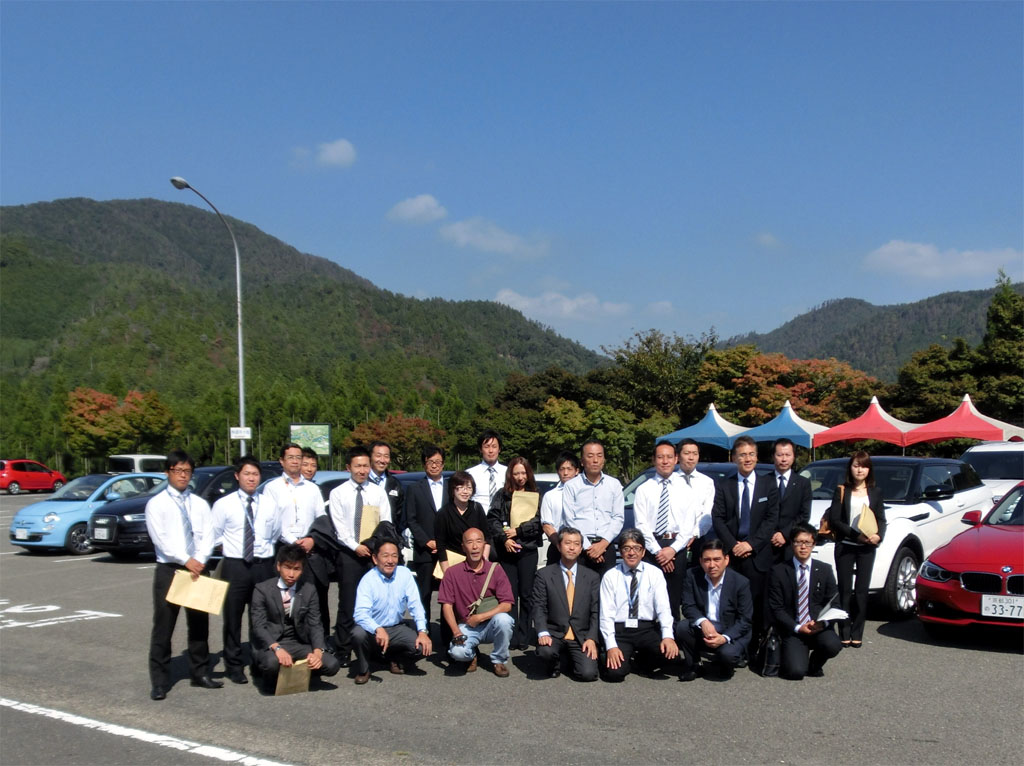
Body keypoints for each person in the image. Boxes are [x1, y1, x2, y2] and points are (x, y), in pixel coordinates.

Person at [146, 449, 221, 700]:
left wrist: (200, 559)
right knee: (164, 626)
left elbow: (208, 534)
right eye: (177, 470)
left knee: (199, 624)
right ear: (167, 472)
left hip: (198, 567)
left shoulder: (199, 504)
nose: (182, 475)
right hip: (171, 569)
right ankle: (160, 681)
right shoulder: (157, 504)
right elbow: (160, 539)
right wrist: (186, 559)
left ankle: (200, 673)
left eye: (187, 471)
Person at [209, 455, 280, 684]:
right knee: (233, 617)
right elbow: (215, 535)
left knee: (261, 618)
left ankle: (260, 661)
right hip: (236, 565)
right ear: (237, 476)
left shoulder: (269, 504)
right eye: (247, 474)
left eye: (255, 474)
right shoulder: (224, 504)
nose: (251, 478)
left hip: (263, 565)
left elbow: (276, 533)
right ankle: (234, 664)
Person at [711, 435, 778, 650]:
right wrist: (734, 545)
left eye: (751, 454)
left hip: (757, 554)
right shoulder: (725, 485)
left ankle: (756, 646)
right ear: (734, 458)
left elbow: (771, 519)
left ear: (757, 457)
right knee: (733, 602)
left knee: (757, 603)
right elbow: (718, 518)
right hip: (733, 554)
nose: (747, 459)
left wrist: (751, 544)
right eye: (742, 455)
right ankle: (734, 645)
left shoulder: (769, 484)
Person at [328, 446, 392, 665]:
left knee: (376, 602)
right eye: (358, 466)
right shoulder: (338, 493)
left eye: (366, 466)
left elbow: (386, 522)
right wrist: (356, 546)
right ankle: (343, 649)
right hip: (349, 554)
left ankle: (375, 647)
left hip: (373, 554)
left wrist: (374, 547)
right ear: (349, 467)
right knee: (348, 603)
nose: (362, 470)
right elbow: (339, 528)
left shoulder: (378, 492)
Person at [250, 544, 340, 690]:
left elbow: (315, 623)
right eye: (287, 568)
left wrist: (318, 651)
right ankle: (270, 676)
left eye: (296, 569)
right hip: (273, 643)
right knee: (271, 664)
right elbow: (258, 627)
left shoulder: (309, 589)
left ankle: (303, 674)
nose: (291, 574)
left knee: (332, 665)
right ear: (278, 566)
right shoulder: (262, 589)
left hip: (299, 643)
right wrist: (277, 648)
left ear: (302, 570)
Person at [264, 443, 330, 637]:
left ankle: (319, 642)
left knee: (314, 600)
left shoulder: (312, 489)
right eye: (290, 457)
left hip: (309, 550)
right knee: (284, 600)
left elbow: (322, 518)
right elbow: (272, 520)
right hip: (284, 549)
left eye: (298, 457)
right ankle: (284, 641)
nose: (295, 461)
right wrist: (293, 541)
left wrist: (311, 539)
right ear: (282, 461)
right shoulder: (272, 488)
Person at [599, 528, 679, 682]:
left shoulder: (654, 573)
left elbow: (663, 608)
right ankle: (612, 656)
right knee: (615, 674)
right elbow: (606, 614)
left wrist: (668, 636)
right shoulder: (611, 576)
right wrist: (611, 646)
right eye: (626, 548)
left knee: (672, 657)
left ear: (643, 552)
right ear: (620, 551)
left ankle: (641, 660)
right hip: (621, 631)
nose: (632, 553)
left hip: (646, 628)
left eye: (637, 548)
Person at [351, 537, 432, 684]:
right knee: (357, 634)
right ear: (375, 559)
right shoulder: (368, 580)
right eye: (385, 556)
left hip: (395, 628)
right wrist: (377, 628)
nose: (390, 560)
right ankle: (364, 668)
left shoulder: (404, 574)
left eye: (394, 556)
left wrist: (422, 631)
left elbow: (415, 604)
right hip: (372, 629)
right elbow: (360, 614)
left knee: (422, 646)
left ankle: (395, 660)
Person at [768, 522, 843, 679]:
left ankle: (814, 665)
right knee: (795, 672)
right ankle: (795, 656)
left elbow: (834, 603)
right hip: (793, 628)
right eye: (798, 542)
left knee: (833, 645)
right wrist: (797, 627)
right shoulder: (779, 571)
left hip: (817, 625)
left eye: (807, 542)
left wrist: (822, 623)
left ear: (813, 544)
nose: (803, 547)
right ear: (791, 544)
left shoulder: (825, 570)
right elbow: (776, 608)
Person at [633, 440, 699, 619]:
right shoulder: (644, 489)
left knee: (673, 598)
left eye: (669, 457)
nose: (665, 461)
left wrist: (672, 550)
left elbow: (689, 526)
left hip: (677, 547)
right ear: (654, 460)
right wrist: (658, 552)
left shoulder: (686, 489)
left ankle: (673, 633)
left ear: (676, 459)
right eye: (660, 457)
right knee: (649, 597)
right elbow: (641, 524)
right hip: (651, 547)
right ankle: (651, 633)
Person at [437, 527, 515, 677]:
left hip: (492, 624)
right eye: (470, 542)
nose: (474, 546)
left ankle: (499, 660)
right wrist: (456, 632)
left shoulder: (496, 569)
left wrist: (480, 617)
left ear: (484, 545)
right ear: (463, 547)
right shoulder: (452, 573)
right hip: (467, 625)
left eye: (479, 541)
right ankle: (471, 655)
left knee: (504, 620)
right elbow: (446, 605)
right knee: (457, 652)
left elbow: (507, 604)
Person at [828, 450, 886, 648]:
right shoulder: (842, 490)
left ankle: (857, 632)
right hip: (845, 545)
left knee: (861, 591)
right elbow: (835, 520)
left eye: (864, 466)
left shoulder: (875, 492)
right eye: (856, 465)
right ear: (850, 468)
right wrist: (855, 535)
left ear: (869, 470)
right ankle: (844, 631)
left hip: (867, 548)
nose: (860, 470)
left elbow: (881, 519)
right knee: (844, 590)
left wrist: (878, 536)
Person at [675, 539, 753, 681]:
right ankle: (695, 665)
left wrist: (724, 638)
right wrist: (703, 621)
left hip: (729, 632)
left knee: (728, 655)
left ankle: (725, 664)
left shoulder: (741, 582)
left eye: (717, 559)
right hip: (705, 629)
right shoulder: (692, 575)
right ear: (700, 561)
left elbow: (745, 620)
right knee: (682, 627)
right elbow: (688, 605)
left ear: (726, 560)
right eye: (707, 560)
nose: (712, 565)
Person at [487, 456, 543, 649]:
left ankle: (525, 635)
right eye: (516, 473)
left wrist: (519, 531)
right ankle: (511, 635)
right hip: (507, 551)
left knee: (527, 594)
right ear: (510, 474)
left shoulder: (536, 494)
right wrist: (505, 538)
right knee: (509, 594)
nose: (520, 477)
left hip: (528, 550)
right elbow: (492, 519)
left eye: (523, 473)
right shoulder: (502, 495)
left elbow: (539, 521)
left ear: (529, 473)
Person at [531, 527, 600, 681]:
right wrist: (542, 632)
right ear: (559, 546)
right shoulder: (544, 575)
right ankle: (555, 663)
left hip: (580, 635)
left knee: (588, 674)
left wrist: (591, 638)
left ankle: (568, 659)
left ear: (581, 548)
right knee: (545, 652)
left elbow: (596, 611)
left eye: (576, 544)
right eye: (567, 543)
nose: (572, 547)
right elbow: (539, 606)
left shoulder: (592, 577)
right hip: (554, 633)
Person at [562, 439, 625, 576]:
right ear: (582, 461)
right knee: (580, 588)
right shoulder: (571, 486)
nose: (595, 460)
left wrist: (603, 544)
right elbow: (569, 519)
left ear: (604, 459)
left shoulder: (614, 485)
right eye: (590, 456)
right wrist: (588, 547)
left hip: (606, 547)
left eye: (599, 455)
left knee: (607, 587)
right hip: (580, 548)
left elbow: (618, 518)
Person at [404, 445, 448, 620]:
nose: (434, 465)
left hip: (448, 550)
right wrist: (426, 541)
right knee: (424, 594)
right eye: (430, 462)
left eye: (438, 462)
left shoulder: (452, 487)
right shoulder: (415, 489)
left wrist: (444, 542)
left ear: (443, 464)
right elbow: (411, 519)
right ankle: (424, 630)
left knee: (448, 594)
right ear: (424, 464)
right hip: (425, 551)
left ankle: (448, 633)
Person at [434, 471, 490, 573]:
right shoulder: (444, 513)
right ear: (453, 490)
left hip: (476, 562)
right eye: (460, 488)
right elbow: (441, 546)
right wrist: (447, 573)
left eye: (469, 488)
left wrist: (484, 561)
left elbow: (487, 537)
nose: (465, 492)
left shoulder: (477, 508)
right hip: (453, 564)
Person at [770, 438, 812, 563]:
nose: (784, 459)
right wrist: (772, 534)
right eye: (780, 455)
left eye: (787, 455)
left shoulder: (803, 483)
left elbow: (804, 515)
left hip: (791, 543)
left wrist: (784, 534)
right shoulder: (763, 482)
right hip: (767, 543)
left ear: (793, 457)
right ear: (773, 457)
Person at [677, 439, 717, 559]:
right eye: (687, 453)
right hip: (674, 538)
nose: (691, 458)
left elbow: (708, 512)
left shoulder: (707, 482)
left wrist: (694, 534)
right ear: (678, 456)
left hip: (698, 538)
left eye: (695, 454)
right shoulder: (670, 481)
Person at [540, 451, 581, 565]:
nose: (565, 473)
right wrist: (560, 545)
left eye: (569, 469)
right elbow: (547, 525)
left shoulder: (584, 494)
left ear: (577, 471)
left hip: (581, 549)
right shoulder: (550, 495)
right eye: (562, 469)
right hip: (556, 548)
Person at [368, 441, 406, 534]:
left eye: (386, 456)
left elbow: (400, 515)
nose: (382, 460)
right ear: (370, 457)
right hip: (366, 535)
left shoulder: (395, 484)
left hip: (389, 537)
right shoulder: (363, 482)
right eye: (378, 455)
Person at [467, 429, 507, 510]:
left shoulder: (508, 472)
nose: (491, 451)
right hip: (478, 516)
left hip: (502, 517)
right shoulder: (470, 474)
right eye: (486, 447)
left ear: (499, 449)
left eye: (494, 446)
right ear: (480, 449)